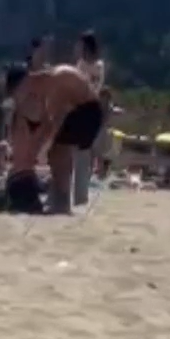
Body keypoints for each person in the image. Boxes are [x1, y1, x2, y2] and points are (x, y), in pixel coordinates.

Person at [5, 62, 104, 215]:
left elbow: (58, 118)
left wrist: (44, 148)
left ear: (25, 82)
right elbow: (48, 121)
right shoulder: (43, 85)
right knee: (56, 152)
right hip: (80, 110)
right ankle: (59, 199)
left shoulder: (55, 81)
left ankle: (62, 202)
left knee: (59, 152)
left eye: (19, 92)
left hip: (88, 111)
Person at [71, 31, 107, 208]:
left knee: (84, 152)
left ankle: (80, 194)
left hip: (87, 107)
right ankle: (79, 193)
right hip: (86, 107)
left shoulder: (90, 66)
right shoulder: (91, 65)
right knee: (82, 153)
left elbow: (88, 86)